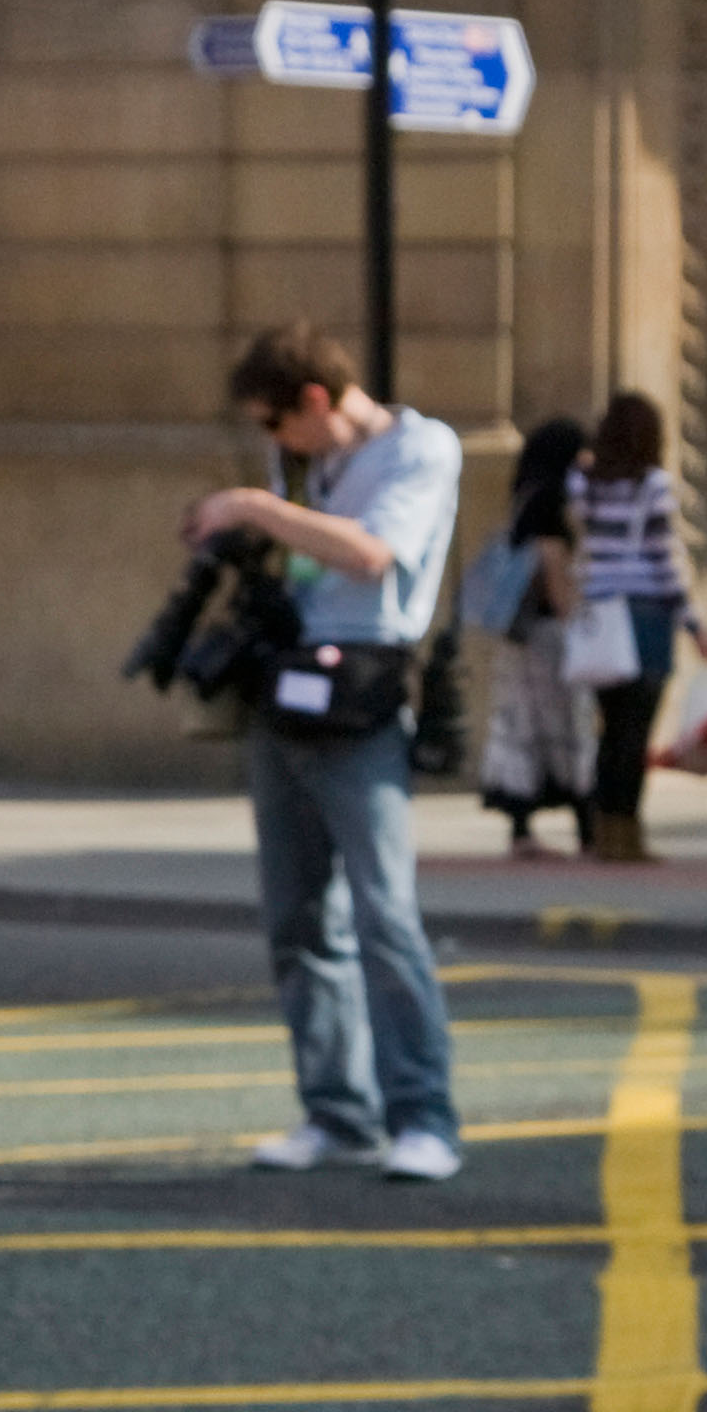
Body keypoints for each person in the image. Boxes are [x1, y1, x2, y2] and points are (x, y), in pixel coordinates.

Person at [188, 318, 463, 1180]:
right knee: (298, 916)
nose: (272, 443)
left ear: (315, 399)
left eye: (275, 423)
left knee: (385, 916)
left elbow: (374, 556)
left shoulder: (422, 450)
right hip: (286, 686)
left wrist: (258, 508)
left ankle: (424, 1117)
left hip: (362, 699)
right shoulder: (304, 463)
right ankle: (336, 1110)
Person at [567, 390, 707, 864]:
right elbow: (665, 560)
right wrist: (694, 623)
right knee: (636, 733)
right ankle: (627, 834)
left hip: (600, 611)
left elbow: (578, 532)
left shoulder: (582, 482)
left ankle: (605, 833)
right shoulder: (654, 485)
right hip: (645, 612)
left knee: (611, 732)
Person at [475, 412, 594, 851]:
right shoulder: (552, 500)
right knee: (567, 725)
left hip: (518, 632)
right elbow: (551, 561)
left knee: (521, 727)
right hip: (546, 632)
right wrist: (572, 617)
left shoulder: (524, 496)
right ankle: (584, 824)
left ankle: (522, 828)